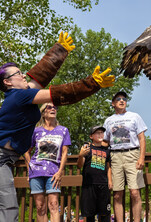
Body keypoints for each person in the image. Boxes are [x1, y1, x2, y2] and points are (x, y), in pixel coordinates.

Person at [0, 31, 115, 221]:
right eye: (18, 73)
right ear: (7, 82)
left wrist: (59, 50)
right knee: (8, 206)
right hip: (1, 158)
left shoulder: (19, 95)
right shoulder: (19, 97)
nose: (23, 75)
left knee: (6, 205)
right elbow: (59, 94)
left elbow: (39, 76)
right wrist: (92, 84)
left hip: (6, 158)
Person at [103, 91, 147, 222]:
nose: (122, 101)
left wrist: (141, 158)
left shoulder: (134, 116)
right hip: (115, 157)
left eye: (124, 99)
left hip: (132, 154)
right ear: (113, 103)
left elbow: (142, 138)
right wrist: (93, 144)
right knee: (117, 195)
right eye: (118, 99)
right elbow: (106, 141)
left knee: (134, 192)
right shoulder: (108, 120)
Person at [24, 103, 71, 222]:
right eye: (49, 107)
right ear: (43, 113)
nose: (53, 109)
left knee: (54, 205)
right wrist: (30, 168)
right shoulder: (36, 131)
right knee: (40, 207)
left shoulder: (63, 130)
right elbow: (26, 151)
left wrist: (60, 171)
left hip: (54, 173)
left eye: (55, 107)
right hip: (36, 172)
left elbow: (65, 152)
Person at [77, 126, 112, 222]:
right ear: (91, 136)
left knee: (105, 214)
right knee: (89, 215)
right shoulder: (87, 148)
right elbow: (79, 166)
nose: (100, 135)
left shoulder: (107, 151)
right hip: (89, 185)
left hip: (103, 185)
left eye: (102, 133)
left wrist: (110, 181)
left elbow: (108, 167)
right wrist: (80, 155)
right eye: (97, 133)